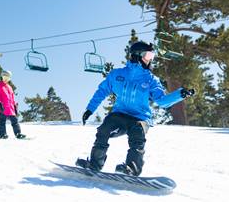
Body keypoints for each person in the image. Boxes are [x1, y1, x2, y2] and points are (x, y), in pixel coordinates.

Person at [78, 41, 195, 176]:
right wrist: (89, 109)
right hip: (119, 115)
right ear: (137, 56)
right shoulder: (117, 75)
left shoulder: (151, 79)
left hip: (140, 118)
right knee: (104, 129)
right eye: (148, 56)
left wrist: (180, 94)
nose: (150, 60)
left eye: (152, 56)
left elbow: (162, 101)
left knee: (138, 133)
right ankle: (95, 164)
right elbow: (101, 91)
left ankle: (132, 168)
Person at [0, 70, 26, 139]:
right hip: (3, 106)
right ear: (2, 77)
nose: (6, 79)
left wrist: (15, 106)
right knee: (2, 121)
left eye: (8, 78)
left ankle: (18, 133)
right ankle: (2, 134)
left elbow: (12, 98)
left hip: (10, 107)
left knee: (15, 121)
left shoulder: (9, 87)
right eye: (5, 77)